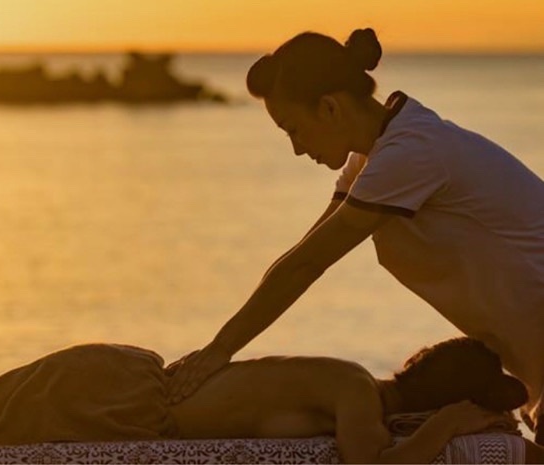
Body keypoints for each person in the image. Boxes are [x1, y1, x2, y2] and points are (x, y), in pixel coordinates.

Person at [166, 28, 544, 446]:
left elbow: (308, 265)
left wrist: (219, 351)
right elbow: (302, 254)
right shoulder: (374, 158)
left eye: (293, 129)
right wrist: (220, 348)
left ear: (329, 108)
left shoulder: (410, 152)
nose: (297, 148)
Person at [0, 337, 539, 463]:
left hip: (120, 382)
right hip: (119, 396)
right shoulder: (356, 389)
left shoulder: (352, 382)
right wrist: (448, 426)